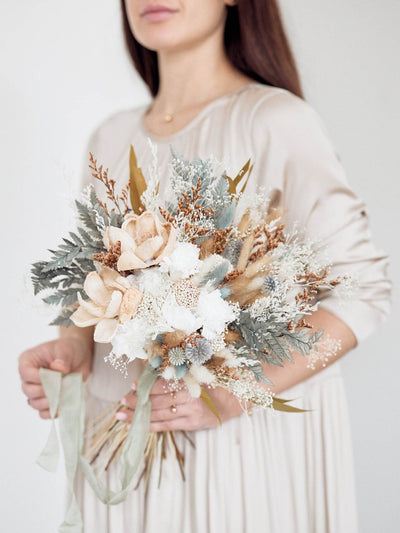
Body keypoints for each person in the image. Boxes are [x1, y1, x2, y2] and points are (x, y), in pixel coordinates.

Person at [19, 1, 391, 531]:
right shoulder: (110, 137)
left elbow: (363, 292)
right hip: (119, 447)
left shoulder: (275, 121)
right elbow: (97, 284)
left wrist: (231, 394)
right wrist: (71, 347)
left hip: (235, 454)